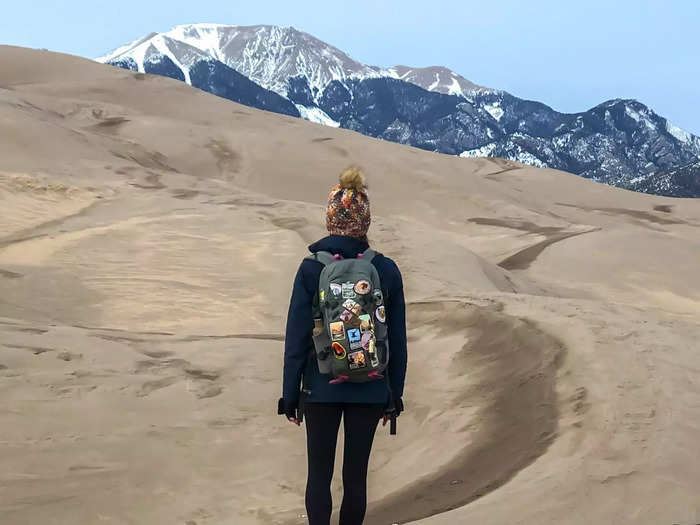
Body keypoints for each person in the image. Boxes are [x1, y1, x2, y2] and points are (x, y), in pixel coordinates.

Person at [278, 166, 407, 525]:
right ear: (365, 223)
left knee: (318, 476)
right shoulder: (386, 270)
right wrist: (393, 394)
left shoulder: (310, 270)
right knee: (356, 479)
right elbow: (396, 338)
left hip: (319, 387)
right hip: (370, 387)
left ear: (330, 220)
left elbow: (296, 336)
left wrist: (290, 394)